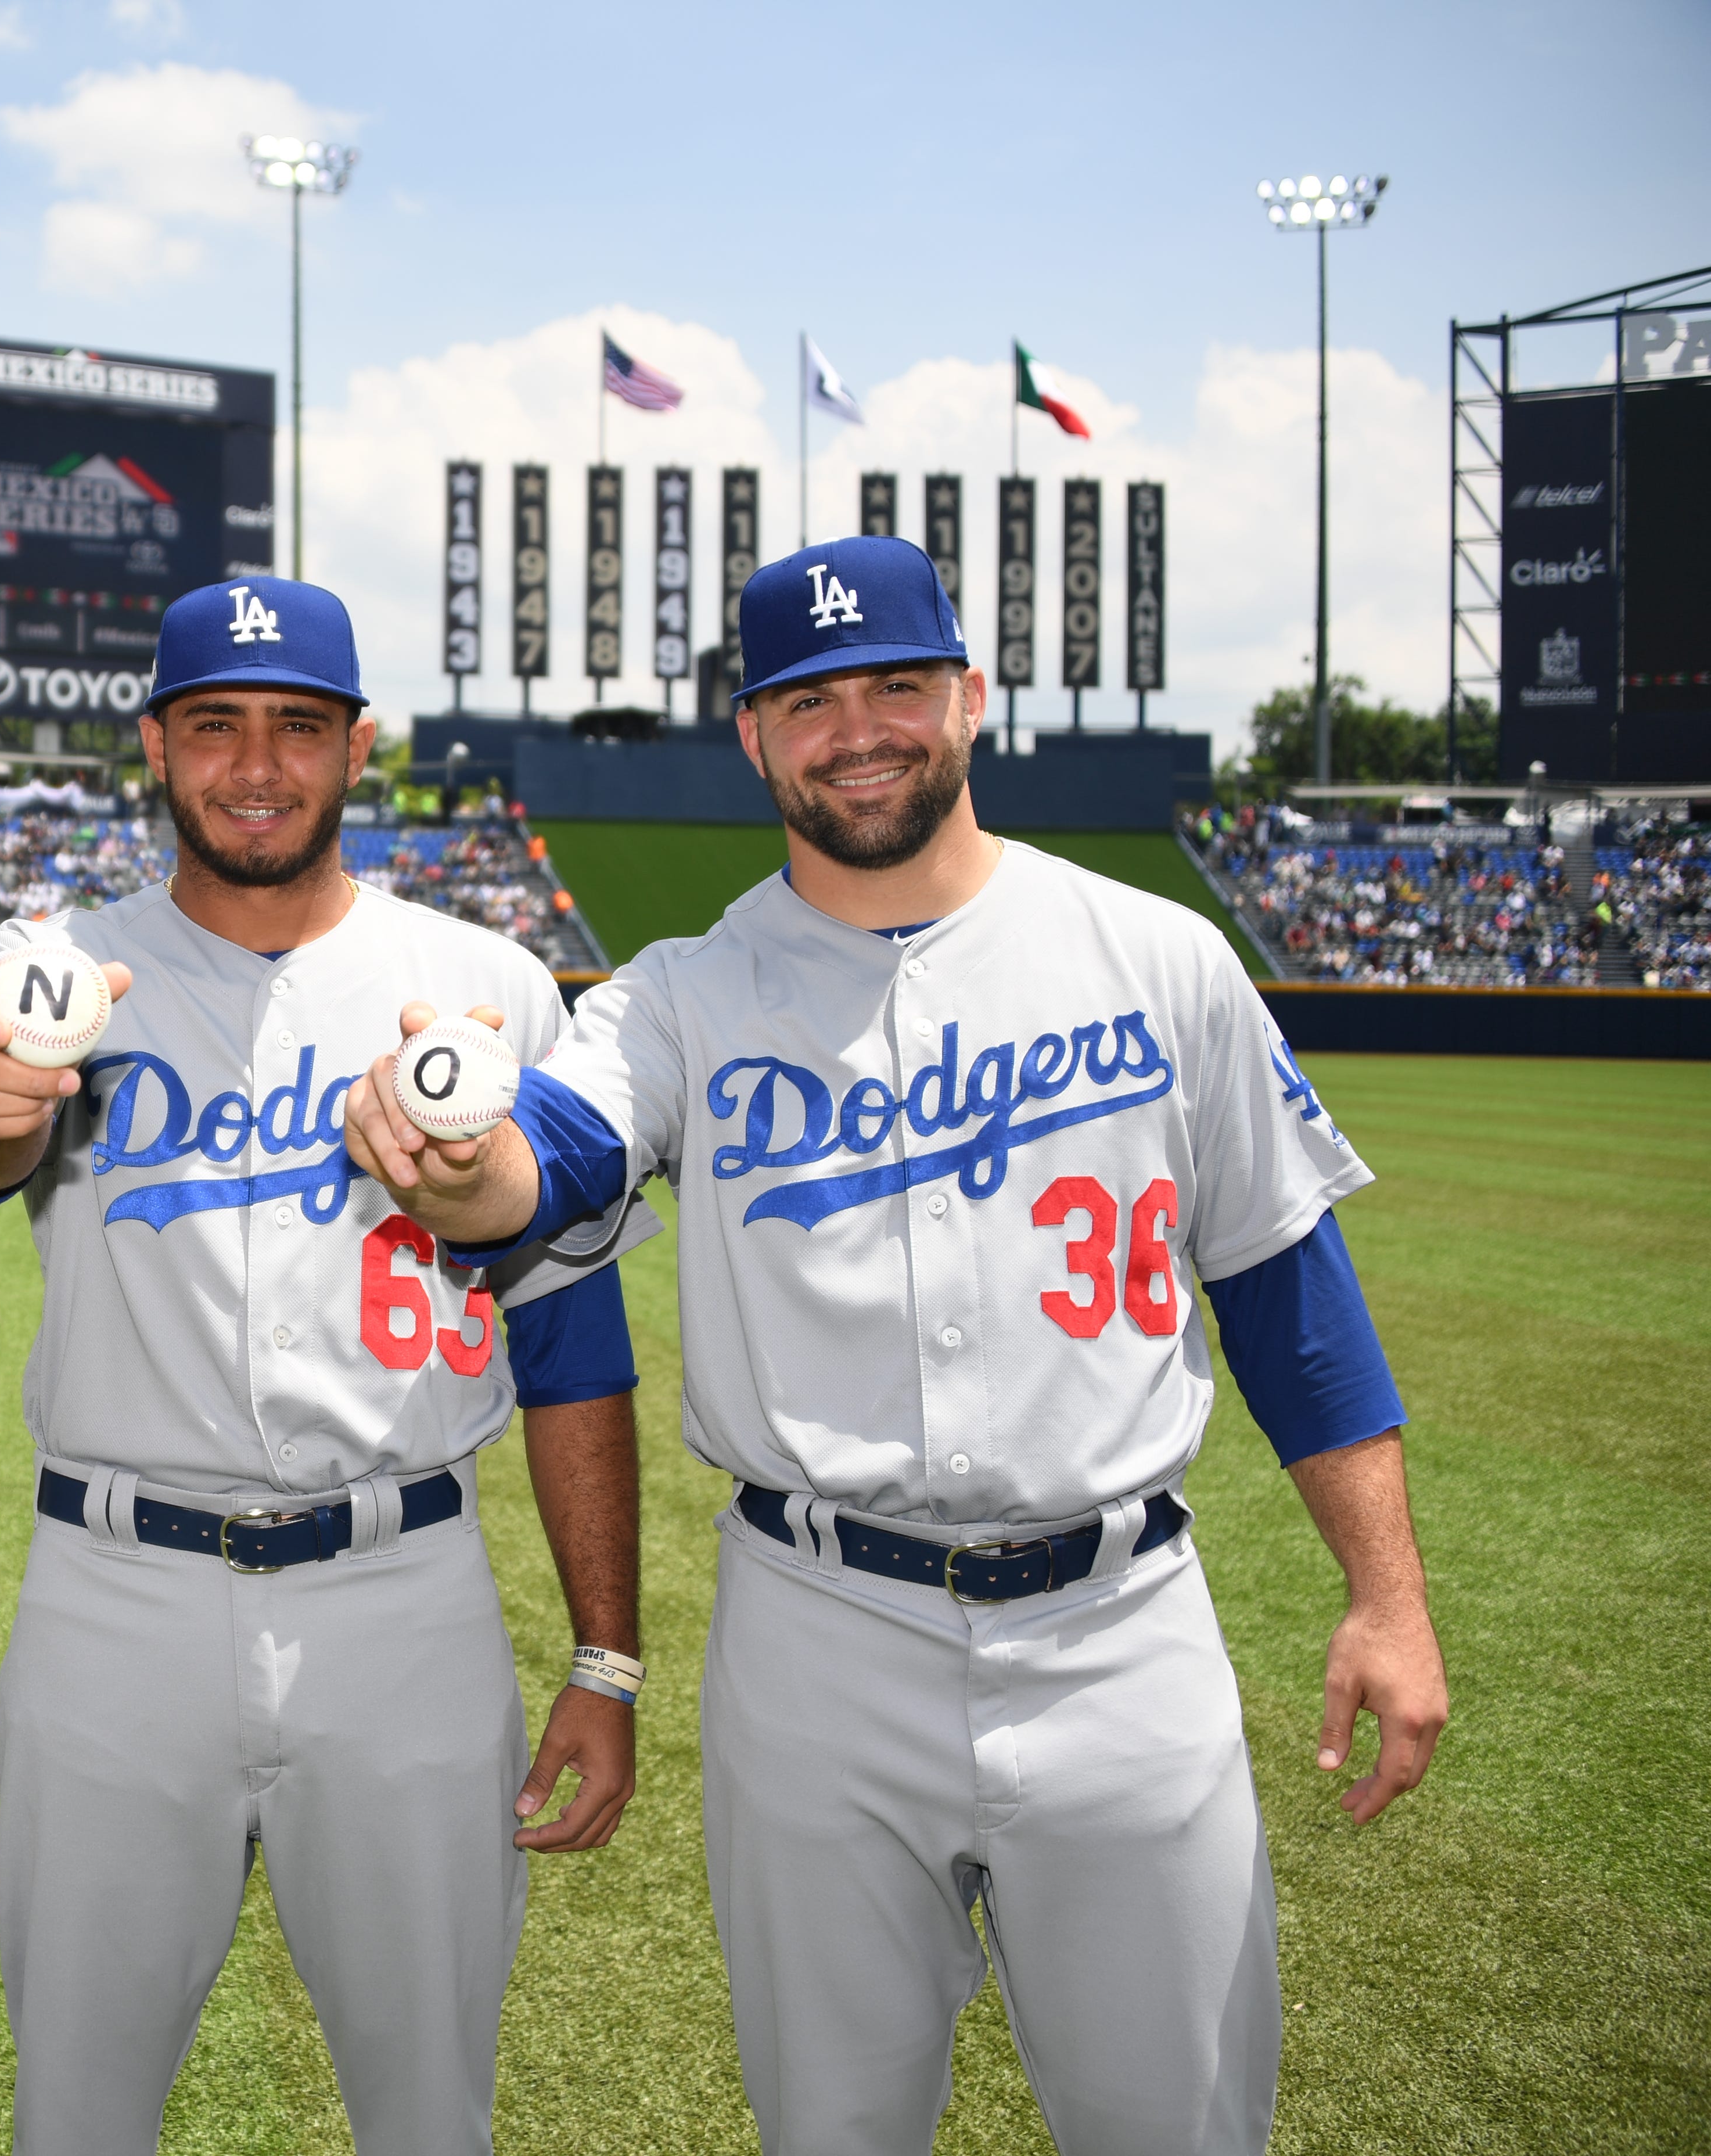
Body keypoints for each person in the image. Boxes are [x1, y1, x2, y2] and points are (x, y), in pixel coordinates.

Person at [346, 534, 1448, 2155]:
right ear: (754, 736)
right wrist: (465, 1166)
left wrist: (1389, 1597)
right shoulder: (681, 996)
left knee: (1183, 2125)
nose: (859, 727)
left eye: (897, 686)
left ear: (972, 701)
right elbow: (552, 1157)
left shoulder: (1158, 957)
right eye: (810, 699)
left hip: (1123, 1631)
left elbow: (1288, 1290)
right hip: (818, 1638)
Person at [0, 576, 650, 2156]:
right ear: (157, 744)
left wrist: (606, 1659)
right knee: (76, 2112)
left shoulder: (489, 985)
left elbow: (572, 1331)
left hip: (405, 1596)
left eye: (298, 728)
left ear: (359, 747)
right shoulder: (55, 969)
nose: (257, 765)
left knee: (429, 2109)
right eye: (218, 725)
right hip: (116, 1594)